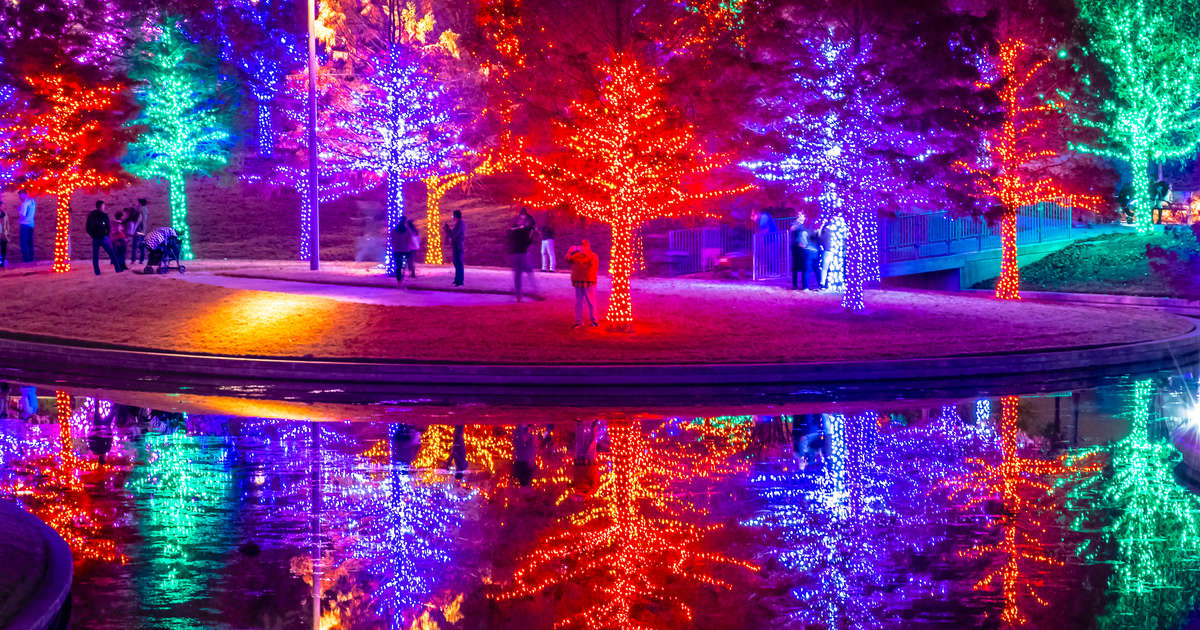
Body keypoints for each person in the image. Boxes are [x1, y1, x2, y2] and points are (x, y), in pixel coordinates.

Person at [566, 239, 600, 328]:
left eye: (584, 245)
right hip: (578, 282)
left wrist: (586, 253)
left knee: (591, 302)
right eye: (582, 246)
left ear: (588, 246)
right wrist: (569, 251)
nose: (582, 247)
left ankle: (594, 321)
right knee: (578, 303)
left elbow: (592, 264)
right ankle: (579, 322)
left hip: (589, 282)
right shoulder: (576, 256)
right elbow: (568, 260)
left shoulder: (593, 256)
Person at [86, 200, 124, 275]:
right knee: (111, 253)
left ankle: (97, 272)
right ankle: (118, 269)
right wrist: (107, 234)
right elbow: (108, 226)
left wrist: (92, 235)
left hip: (95, 238)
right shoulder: (104, 215)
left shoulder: (91, 215)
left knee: (95, 256)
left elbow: (87, 227)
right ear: (101, 206)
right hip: (103, 237)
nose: (104, 207)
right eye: (103, 206)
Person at [507, 208, 537, 301]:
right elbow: (528, 240)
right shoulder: (521, 231)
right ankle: (521, 293)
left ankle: (518, 293)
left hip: (515, 253)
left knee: (519, 273)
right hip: (520, 253)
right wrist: (531, 233)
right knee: (523, 272)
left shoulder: (515, 231)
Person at [790, 212, 819, 290]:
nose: (800, 216)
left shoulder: (806, 225)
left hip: (803, 248)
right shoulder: (796, 223)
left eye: (802, 215)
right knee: (795, 266)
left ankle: (804, 285)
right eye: (799, 215)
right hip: (796, 247)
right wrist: (798, 223)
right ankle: (795, 285)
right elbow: (792, 229)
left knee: (804, 266)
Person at [444, 210, 465, 286]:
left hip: (458, 246)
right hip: (456, 246)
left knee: (458, 263)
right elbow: (453, 234)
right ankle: (457, 280)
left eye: (453, 216)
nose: (452, 217)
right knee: (457, 263)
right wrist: (448, 230)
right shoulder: (459, 224)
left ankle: (459, 281)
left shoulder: (460, 224)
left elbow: (454, 235)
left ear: (456, 216)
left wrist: (447, 230)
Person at [389, 220, 413, 285]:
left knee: (398, 266)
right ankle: (403, 276)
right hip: (405, 249)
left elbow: (391, 240)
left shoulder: (394, 231)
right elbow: (410, 240)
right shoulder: (407, 231)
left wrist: (394, 244)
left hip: (396, 250)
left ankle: (399, 281)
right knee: (405, 265)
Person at [128, 200, 148, 265]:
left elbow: (138, 220)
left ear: (140, 203)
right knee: (142, 245)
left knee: (135, 246)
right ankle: (141, 260)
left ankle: (133, 260)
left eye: (138, 203)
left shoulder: (139, 210)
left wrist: (133, 229)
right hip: (143, 230)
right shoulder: (146, 210)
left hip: (138, 230)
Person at [17, 189, 34, 263]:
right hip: (31, 224)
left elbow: (23, 216)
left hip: (24, 225)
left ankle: (26, 260)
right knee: (30, 242)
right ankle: (31, 259)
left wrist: (19, 219)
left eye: (20, 195)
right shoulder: (32, 201)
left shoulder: (24, 203)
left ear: (23, 194)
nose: (19, 197)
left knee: (23, 243)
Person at [0, 202, 9, 268]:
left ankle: (2, 262)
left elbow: (7, 223)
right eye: (2, 206)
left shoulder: (4, 213)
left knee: (3, 248)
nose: (3, 207)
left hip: (3, 234)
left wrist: (7, 232)